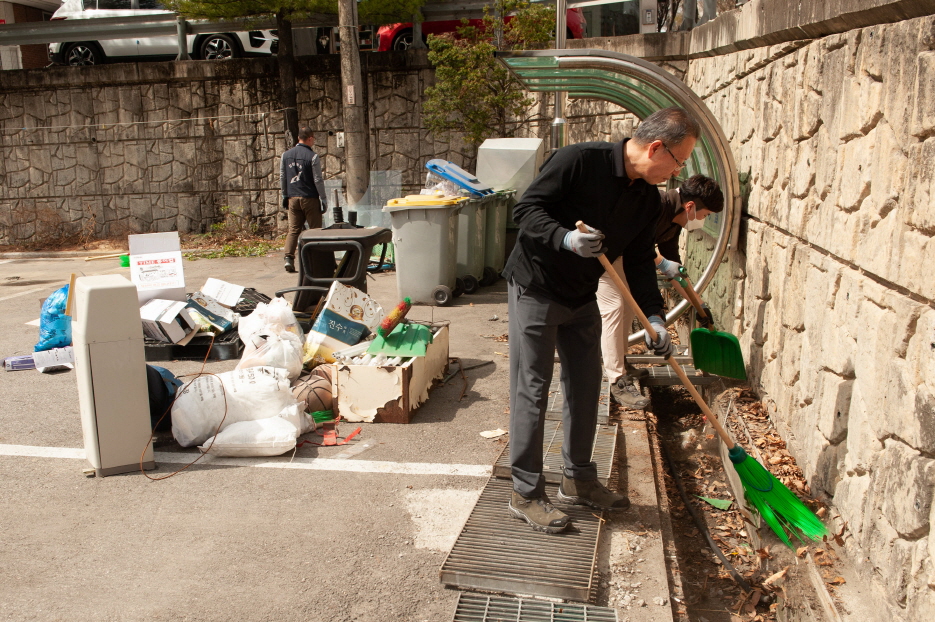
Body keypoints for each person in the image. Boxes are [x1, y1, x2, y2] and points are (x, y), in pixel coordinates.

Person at [503, 107, 700, 533]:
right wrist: (566, 238)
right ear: (656, 147)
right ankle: (526, 491)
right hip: (535, 286)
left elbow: (643, 265)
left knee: (587, 385)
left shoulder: (646, 200)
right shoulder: (578, 160)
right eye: (679, 161)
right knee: (532, 390)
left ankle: (578, 479)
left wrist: (655, 318)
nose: (677, 172)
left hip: (581, 297)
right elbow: (527, 211)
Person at [599, 174, 725, 409]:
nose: (703, 221)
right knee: (615, 307)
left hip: (627, 260)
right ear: (690, 206)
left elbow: (675, 270)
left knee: (628, 307)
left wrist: (699, 305)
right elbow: (636, 240)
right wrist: (660, 262)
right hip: (605, 254)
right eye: (705, 215)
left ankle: (622, 363)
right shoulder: (654, 203)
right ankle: (617, 380)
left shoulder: (675, 222)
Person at [281, 127, 331, 274]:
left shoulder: (285, 155)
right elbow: (317, 180)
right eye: (313, 139)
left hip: (293, 198)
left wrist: (285, 196)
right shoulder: (312, 156)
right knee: (315, 231)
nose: (313, 141)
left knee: (294, 230)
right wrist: (323, 198)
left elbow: (282, 177)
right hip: (309, 198)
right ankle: (314, 262)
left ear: (298, 138)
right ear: (309, 139)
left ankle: (288, 258)